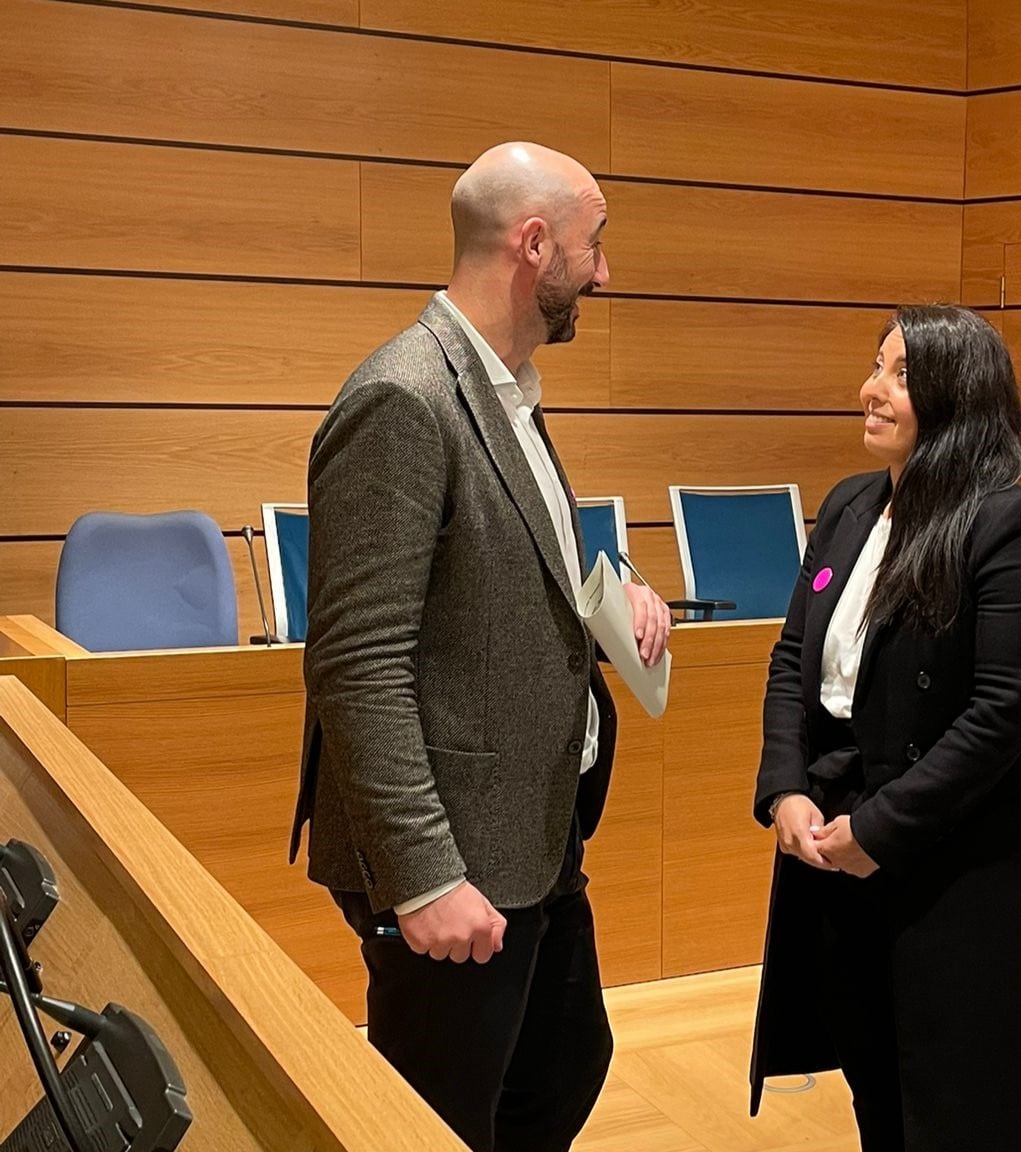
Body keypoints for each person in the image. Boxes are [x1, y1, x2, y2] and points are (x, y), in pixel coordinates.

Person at [289, 141, 672, 1152]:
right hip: (451, 856)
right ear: (534, 244)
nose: (604, 272)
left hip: (533, 831)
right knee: (436, 1125)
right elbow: (356, 663)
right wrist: (422, 877)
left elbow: (508, 578)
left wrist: (618, 597)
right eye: (594, 246)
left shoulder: (508, 389)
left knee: (560, 1067)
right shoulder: (405, 399)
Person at [749, 305, 1021, 1150]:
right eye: (876, 366)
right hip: (838, 842)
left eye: (899, 374)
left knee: (969, 1101)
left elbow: (1001, 714)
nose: (871, 390)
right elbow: (793, 661)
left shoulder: (1005, 521)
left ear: (955, 398)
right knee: (875, 1085)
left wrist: (882, 831)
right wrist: (784, 786)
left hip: (958, 862)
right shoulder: (850, 505)